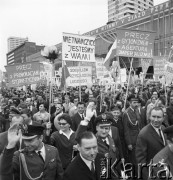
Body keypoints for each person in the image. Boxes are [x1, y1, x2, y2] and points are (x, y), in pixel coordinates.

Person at [136, 107, 167, 179]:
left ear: (163, 118)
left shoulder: (163, 128)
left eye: (158, 117)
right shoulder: (143, 134)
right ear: (149, 116)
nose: (155, 120)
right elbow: (141, 160)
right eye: (153, 116)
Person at [122, 95, 140, 166]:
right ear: (130, 103)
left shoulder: (137, 111)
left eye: (137, 102)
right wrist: (129, 143)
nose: (136, 104)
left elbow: (139, 124)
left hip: (138, 138)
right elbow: (126, 130)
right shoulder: (126, 113)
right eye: (134, 102)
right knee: (133, 159)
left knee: (138, 158)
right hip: (132, 140)